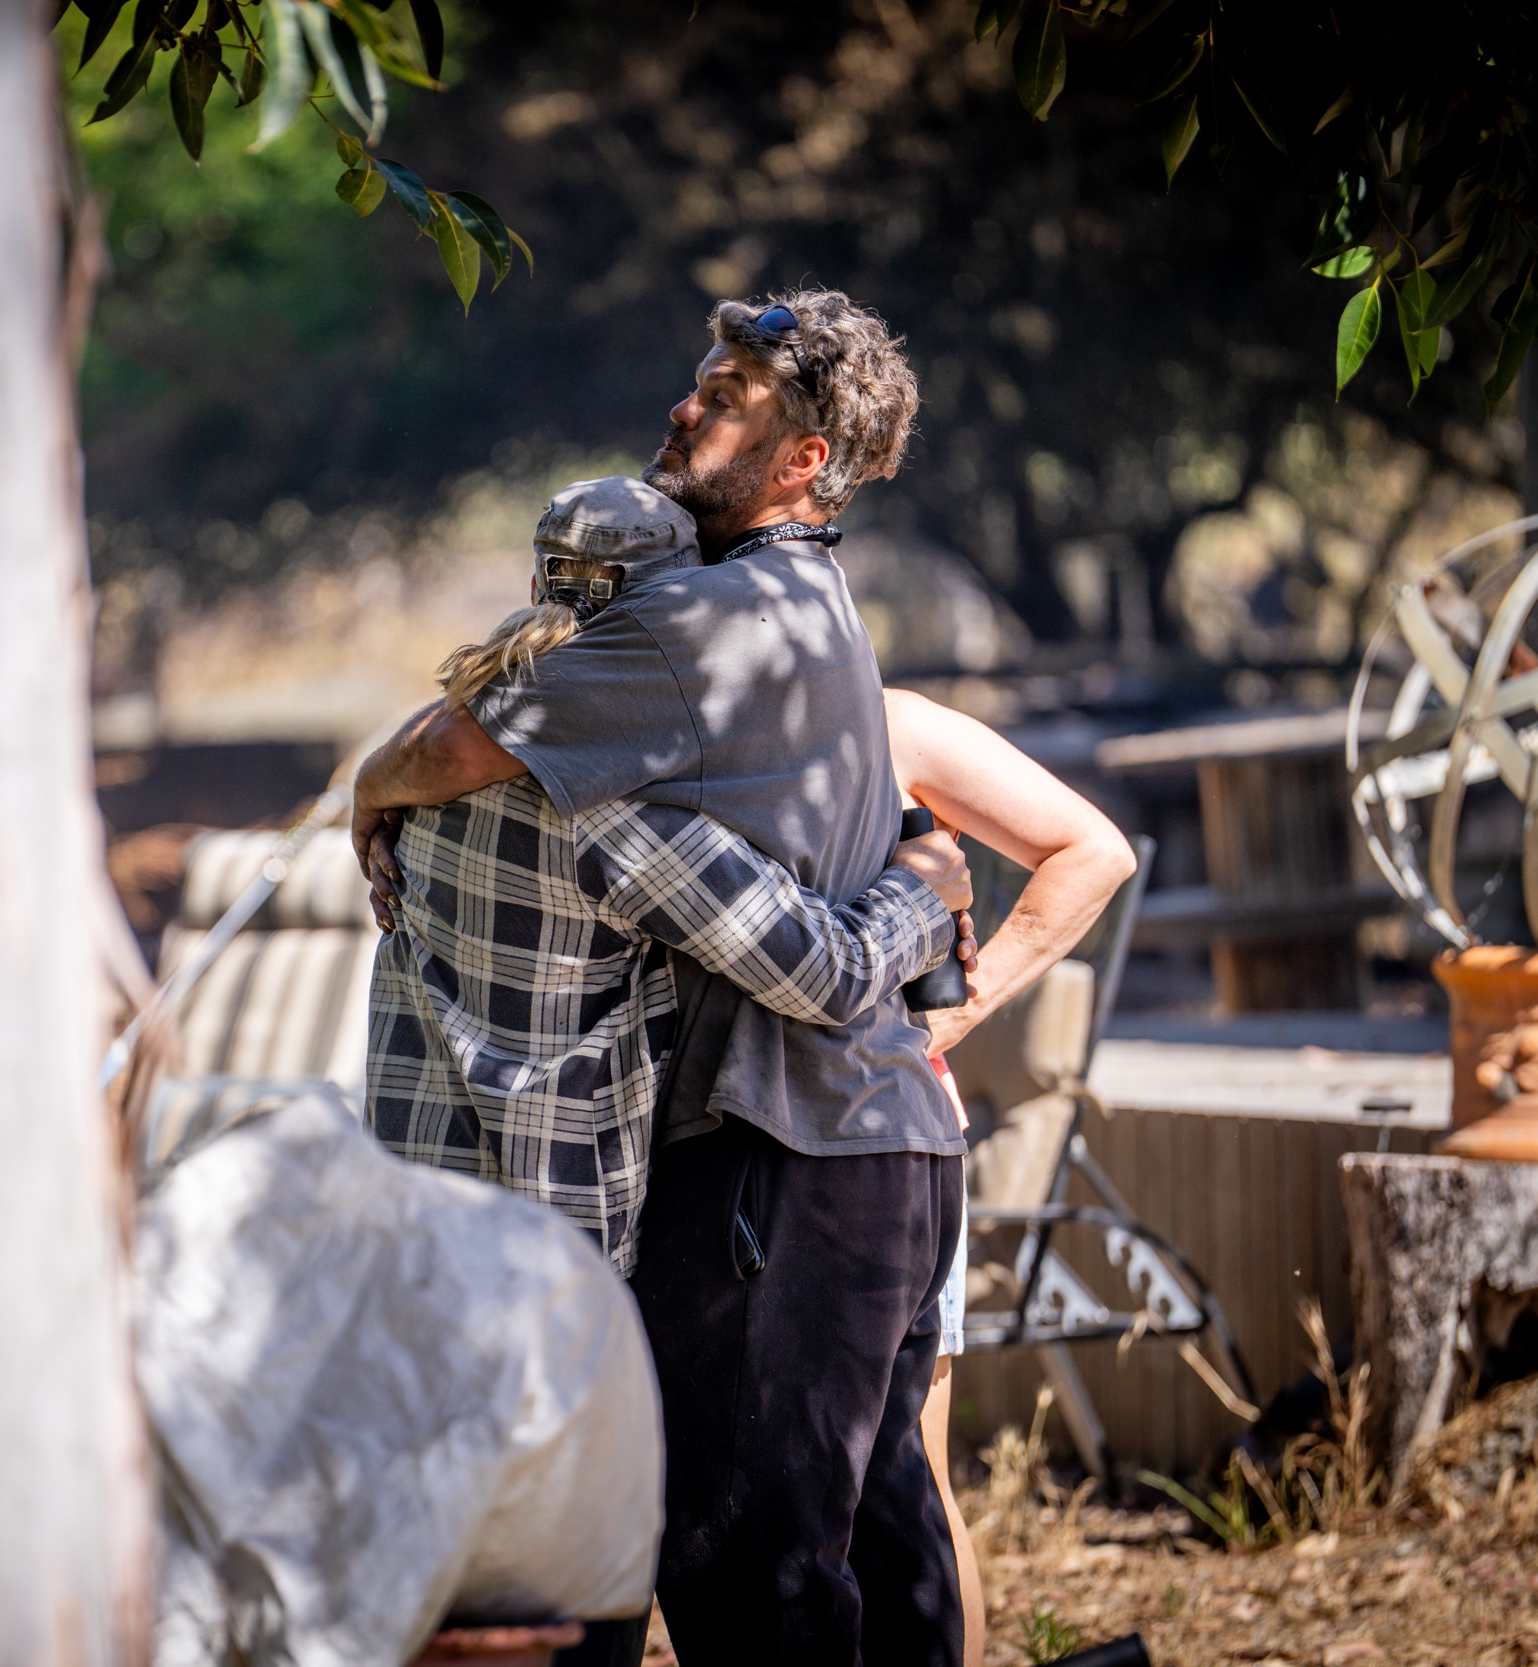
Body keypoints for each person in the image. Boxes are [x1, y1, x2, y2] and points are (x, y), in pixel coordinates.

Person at [356, 288, 963, 1665]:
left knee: (751, 1576)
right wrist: (929, 890)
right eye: (698, 381)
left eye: (728, 393)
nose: (686, 405)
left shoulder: (690, 629)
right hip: (894, 1136)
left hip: (781, 1147)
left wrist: (364, 795)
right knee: (870, 1557)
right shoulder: (818, 615)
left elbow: (453, 742)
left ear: (808, 458)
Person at [368, 476, 972, 1279]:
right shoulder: (612, 813)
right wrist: (926, 889)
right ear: (669, 618)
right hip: (541, 1266)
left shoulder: (426, 771)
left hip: (402, 1229)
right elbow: (827, 972)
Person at [889, 686, 1139, 1667]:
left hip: (891, 1145)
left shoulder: (888, 719)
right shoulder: (665, 705)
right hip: (736, 1151)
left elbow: (1094, 852)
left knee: (909, 1469)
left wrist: (951, 1016)